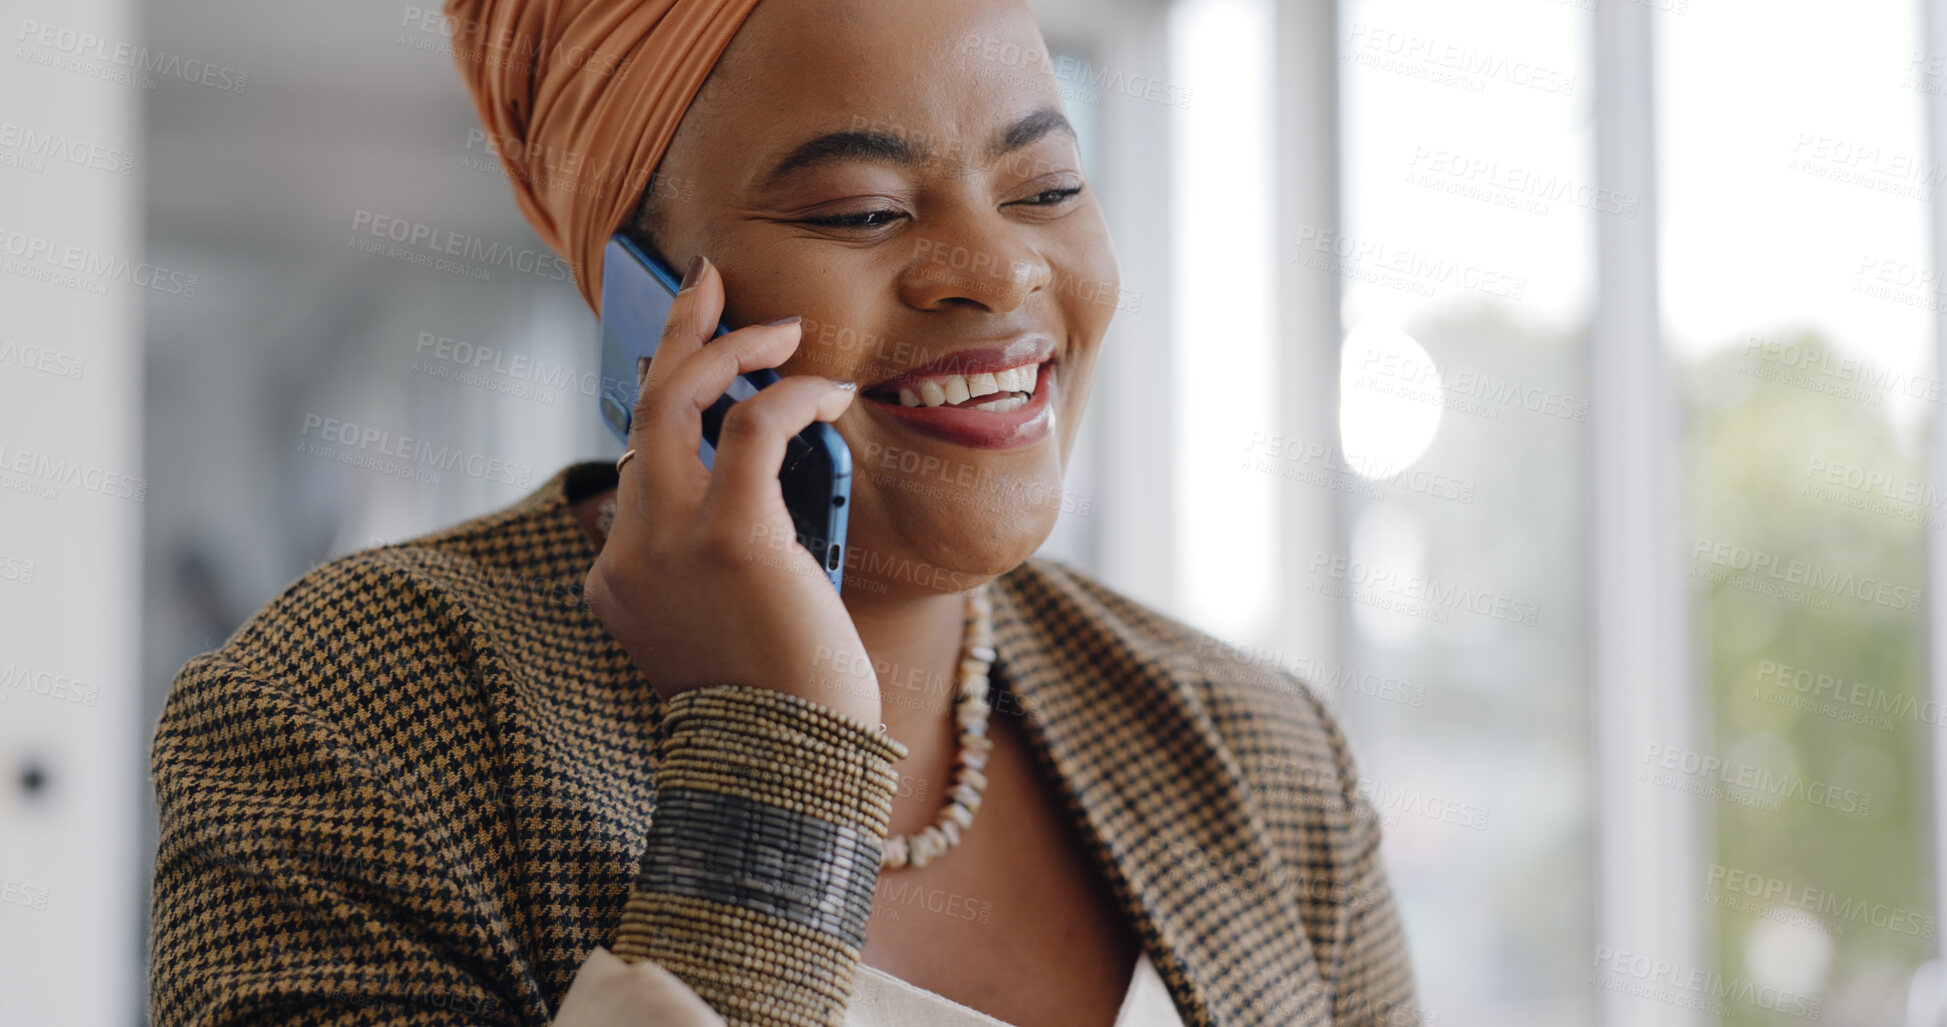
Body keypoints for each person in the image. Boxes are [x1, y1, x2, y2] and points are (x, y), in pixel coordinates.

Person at [146, 0, 1422, 1024]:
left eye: (1045, 188)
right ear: (641, 292)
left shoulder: (1256, 750)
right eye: (861, 210)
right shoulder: (348, 709)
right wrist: (775, 763)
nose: (1000, 273)